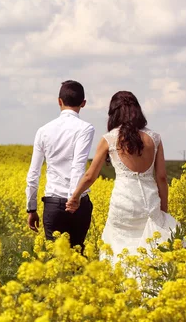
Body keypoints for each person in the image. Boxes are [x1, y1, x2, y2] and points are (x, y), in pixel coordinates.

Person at [66, 91, 179, 258]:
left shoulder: (110, 138)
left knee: (119, 249)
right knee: (151, 251)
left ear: (114, 112)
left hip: (123, 202)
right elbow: (162, 177)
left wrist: (75, 197)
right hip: (149, 202)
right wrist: (164, 210)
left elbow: (90, 175)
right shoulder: (154, 138)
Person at [25, 80, 95, 249]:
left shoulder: (43, 131)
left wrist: (31, 208)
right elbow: (78, 165)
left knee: (56, 262)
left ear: (59, 101)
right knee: (77, 258)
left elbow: (33, 173)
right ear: (83, 103)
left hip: (53, 204)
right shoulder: (85, 129)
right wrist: (73, 199)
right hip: (79, 203)